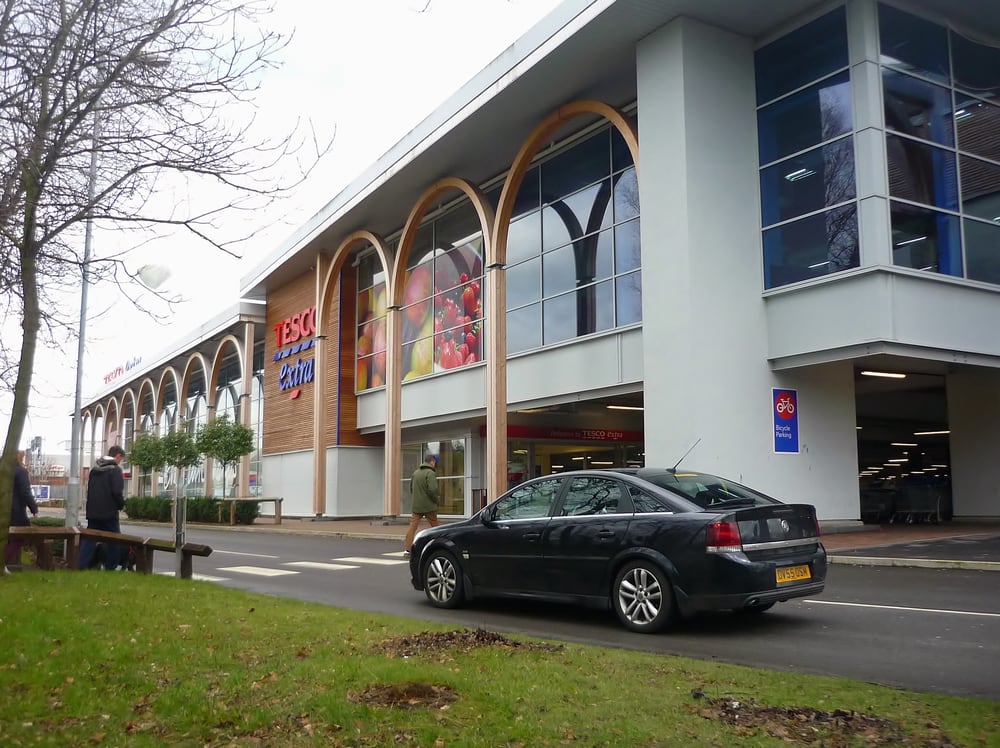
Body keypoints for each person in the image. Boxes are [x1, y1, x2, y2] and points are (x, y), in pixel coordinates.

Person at [77, 445, 126, 570]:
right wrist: (121, 505)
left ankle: (81, 565)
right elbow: (117, 492)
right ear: (118, 456)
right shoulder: (115, 470)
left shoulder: (95, 469)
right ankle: (111, 566)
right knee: (114, 540)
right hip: (109, 513)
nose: (120, 462)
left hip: (93, 512)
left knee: (90, 539)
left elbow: (90, 490)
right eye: (121, 459)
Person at [6, 450, 39, 568]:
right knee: (20, 536)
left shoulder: (4, 471)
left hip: (4, 509)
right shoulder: (20, 472)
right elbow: (25, 492)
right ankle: (3, 562)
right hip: (15, 511)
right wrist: (34, 508)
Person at [403, 453, 440, 556]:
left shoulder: (415, 473)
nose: (435, 464)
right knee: (435, 526)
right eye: (435, 462)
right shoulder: (430, 473)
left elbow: (411, 488)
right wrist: (436, 500)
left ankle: (407, 550)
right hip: (429, 506)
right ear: (432, 462)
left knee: (412, 527)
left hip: (417, 506)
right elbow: (433, 489)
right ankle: (439, 546)